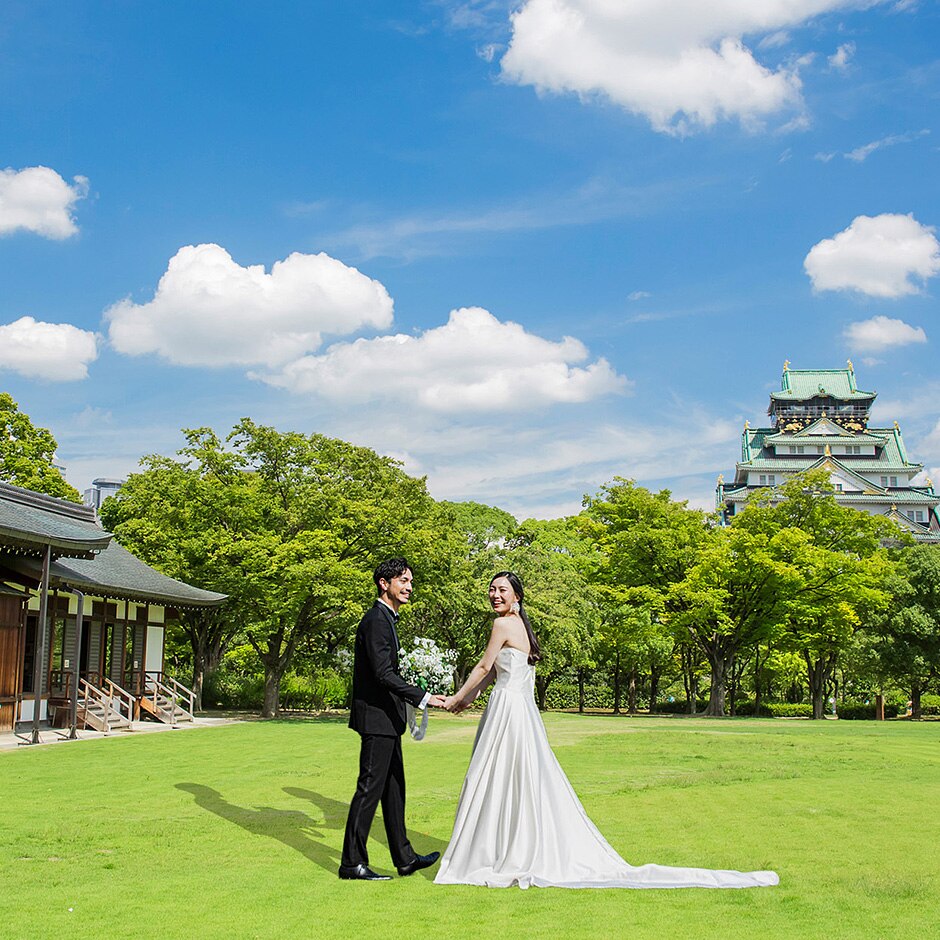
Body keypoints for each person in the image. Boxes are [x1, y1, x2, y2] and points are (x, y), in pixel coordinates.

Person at [434, 571, 779, 890]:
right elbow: (494, 674)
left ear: (517, 596)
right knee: (514, 778)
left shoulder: (502, 625)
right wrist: (464, 701)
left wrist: (454, 698)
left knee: (495, 776)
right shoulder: (522, 628)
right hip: (519, 711)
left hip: (508, 711)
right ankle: (507, 847)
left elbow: (483, 667)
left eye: (502, 590)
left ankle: (496, 851)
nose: (495, 595)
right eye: (492, 589)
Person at [340, 558, 446, 881]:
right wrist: (424, 697)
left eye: (410, 581)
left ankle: (405, 858)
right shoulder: (376, 620)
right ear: (384, 584)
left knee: (394, 789)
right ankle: (352, 863)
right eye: (403, 580)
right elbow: (383, 674)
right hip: (376, 720)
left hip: (387, 720)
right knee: (369, 790)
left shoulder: (387, 619)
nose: (409, 587)